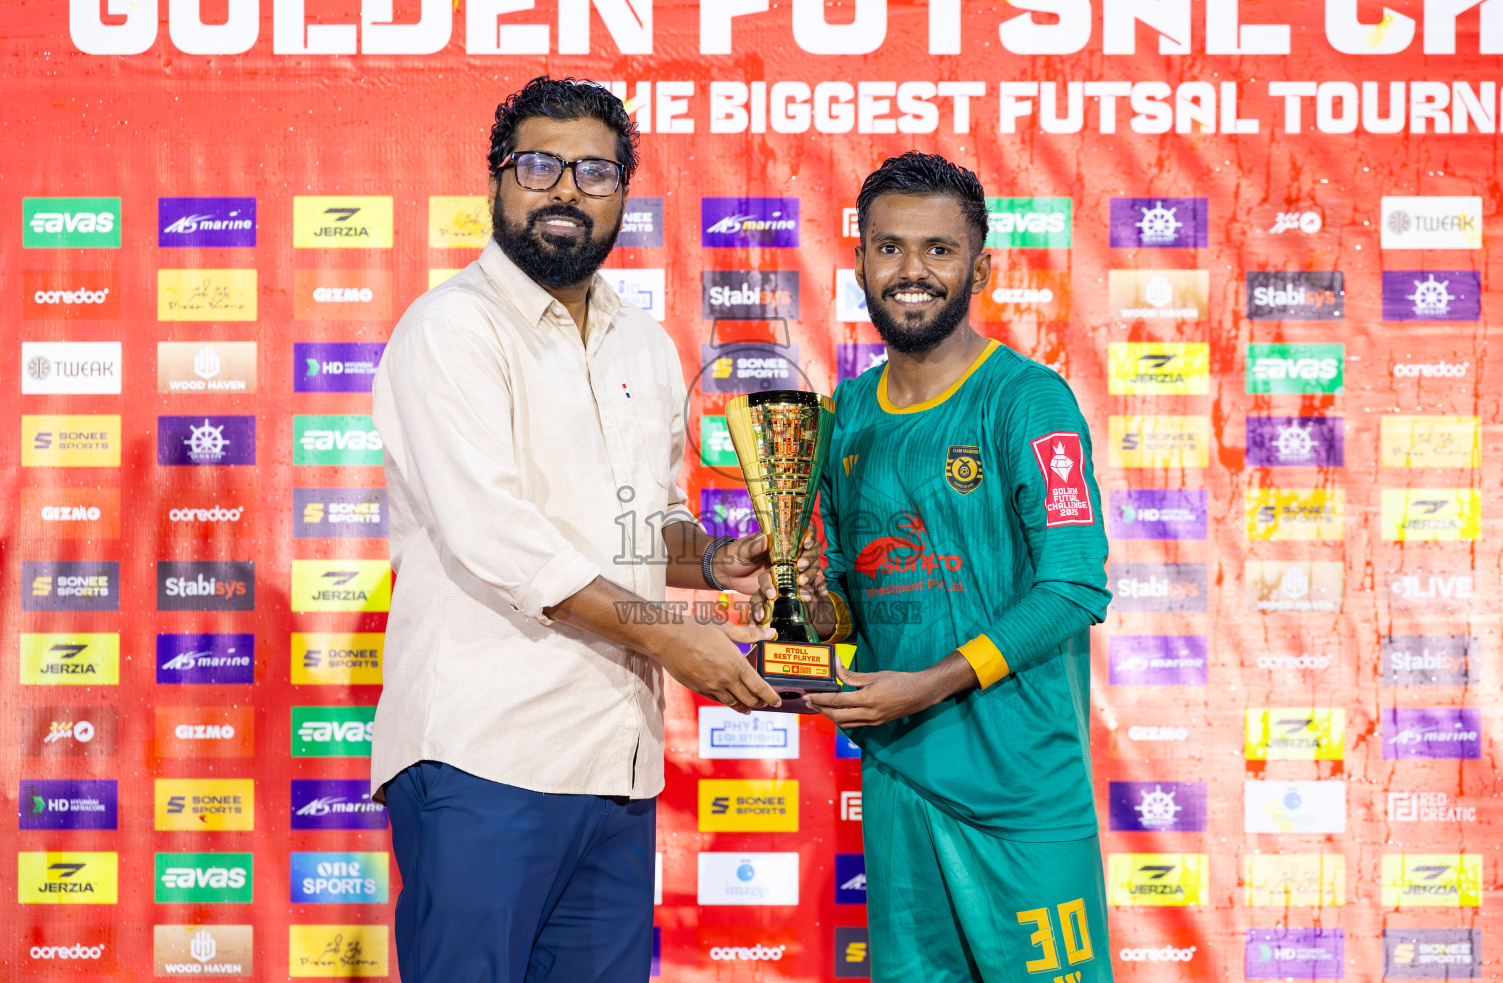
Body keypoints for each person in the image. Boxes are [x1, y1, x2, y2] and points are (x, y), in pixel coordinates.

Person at [369, 76, 806, 983]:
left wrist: (714, 562)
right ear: (497, 180)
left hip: (616, 763)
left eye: (595, 172)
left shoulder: (643, 342)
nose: (566, 189)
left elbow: (645, 524)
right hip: (484, 758)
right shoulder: (450, 330)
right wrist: (679, 645)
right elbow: (498, 536)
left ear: (622, 195)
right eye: (540, 165)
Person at [802, 152, 1115, 982]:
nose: (912, 271)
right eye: (889, 248)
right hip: (903, 782)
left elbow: (1075, 584)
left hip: (1022, 796)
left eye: (939, 251)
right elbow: (839, 603)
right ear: (861, 261)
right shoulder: (845, 416)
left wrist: (929, 683)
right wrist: (799, 593)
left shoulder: (1027, 401)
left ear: (981, 266)